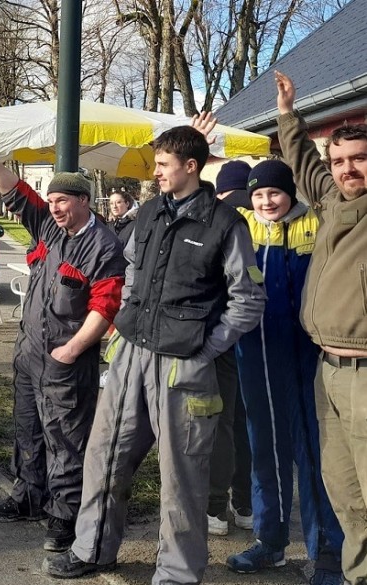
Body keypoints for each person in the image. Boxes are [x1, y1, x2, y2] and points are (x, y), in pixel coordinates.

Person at [42, 124, 266, 582]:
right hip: (130, 355)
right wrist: (123, 327)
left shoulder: (225, 224)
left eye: (163, 164)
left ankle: (177, 573)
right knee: (105, 456)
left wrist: (206, 349)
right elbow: (129, 270)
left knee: (182, 476)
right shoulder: (148, 213)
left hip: (184, 366)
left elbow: (248, 300)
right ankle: (92, 550)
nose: (156, 172)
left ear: (191, 166)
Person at [0, 147, 126, 552]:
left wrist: (73, 349)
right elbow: (12, 189)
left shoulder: (104, 246)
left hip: (66, 363)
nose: (55, 208)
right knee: (27, 428)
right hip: (30, 354)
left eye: (63, 200)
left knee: (65, 438)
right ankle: (28, 496)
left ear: (84, 201)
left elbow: (105, 306)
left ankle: (64, 514)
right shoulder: (48, 226)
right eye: (52, 200)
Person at [222, 160, 344, 584]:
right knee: (265, 447)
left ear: (290, 192)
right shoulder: (240, 228)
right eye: (258, 194)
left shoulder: (317, 222)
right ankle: (269, 540)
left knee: (315, 449)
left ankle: (327, 548)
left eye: (274, 192)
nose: (267, 201)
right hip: (257, 353)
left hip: (311, 354)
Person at [275, 71, 367, 585]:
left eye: (359, 158)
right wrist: (288, 115)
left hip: (365, 374)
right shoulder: (332, 203)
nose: (348, 168)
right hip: (327, 370)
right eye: (340, 161)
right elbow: (304, 162)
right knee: (346, 493)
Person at [205, 158, 254, 536]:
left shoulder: (219, 219)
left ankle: (216, 508)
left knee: (219, 423)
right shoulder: (265, 215)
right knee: (246, 425)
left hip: (221, 336)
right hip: (259, 341)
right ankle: (246, 503)